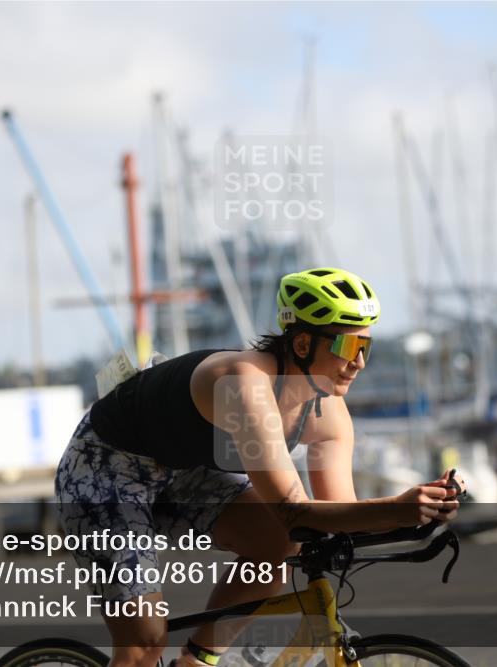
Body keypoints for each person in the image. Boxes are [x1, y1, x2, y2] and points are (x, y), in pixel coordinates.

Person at [55, 267, 464, 667]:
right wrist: (397, 507)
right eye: (348, 348)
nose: (359, 363)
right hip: (107, 466)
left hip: (185, 468)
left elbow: (340, 513)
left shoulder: (331, 416)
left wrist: (424, 511)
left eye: (365, 349)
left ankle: (196, 662)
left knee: (279, 543)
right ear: (302, 344)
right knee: (143, 643)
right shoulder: (244, 385)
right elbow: (293, 510)